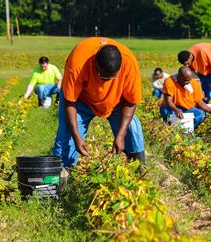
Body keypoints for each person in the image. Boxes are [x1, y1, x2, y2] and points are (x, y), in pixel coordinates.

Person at [53, 37, 145, 167]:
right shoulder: (78, 63)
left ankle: (138, 167)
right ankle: (62, 173)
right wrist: (76, 136)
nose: (107, 81)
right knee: (66, 136)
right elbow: (70, 101)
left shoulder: (129, 64)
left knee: (133, 128)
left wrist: (121, 134)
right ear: (95, 65)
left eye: (112, 78)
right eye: (103, 76)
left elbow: (130, 102)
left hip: (115, 102)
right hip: (81, 101)